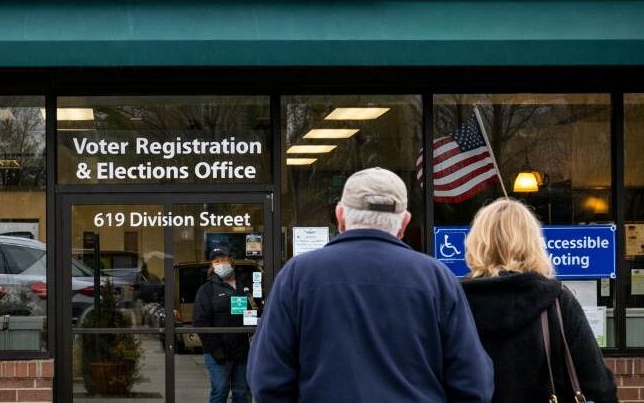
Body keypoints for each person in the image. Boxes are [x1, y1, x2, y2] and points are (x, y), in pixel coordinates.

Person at [248, 167, 494, 402]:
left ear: (340, 216)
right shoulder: (437, 279)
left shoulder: (297, 276)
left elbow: (267, 380)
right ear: (404, 222)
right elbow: (473, 384)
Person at [460, 198, 617, 403]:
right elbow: (598, 386)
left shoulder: (456, 301)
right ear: (533, 243)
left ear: (476, 243)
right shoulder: (557, 300)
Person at [193, 247, 254, 403]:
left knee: (242, 393)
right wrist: (215, 349)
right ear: (212, 265)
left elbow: (253, 312)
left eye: (224, 259)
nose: (220, 264)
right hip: (217, 353)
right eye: (216, 261)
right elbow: (200, 322)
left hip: (241, 351)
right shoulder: (207, 290)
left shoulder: (244, 287)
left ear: (231, 261)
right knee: (220, 390)